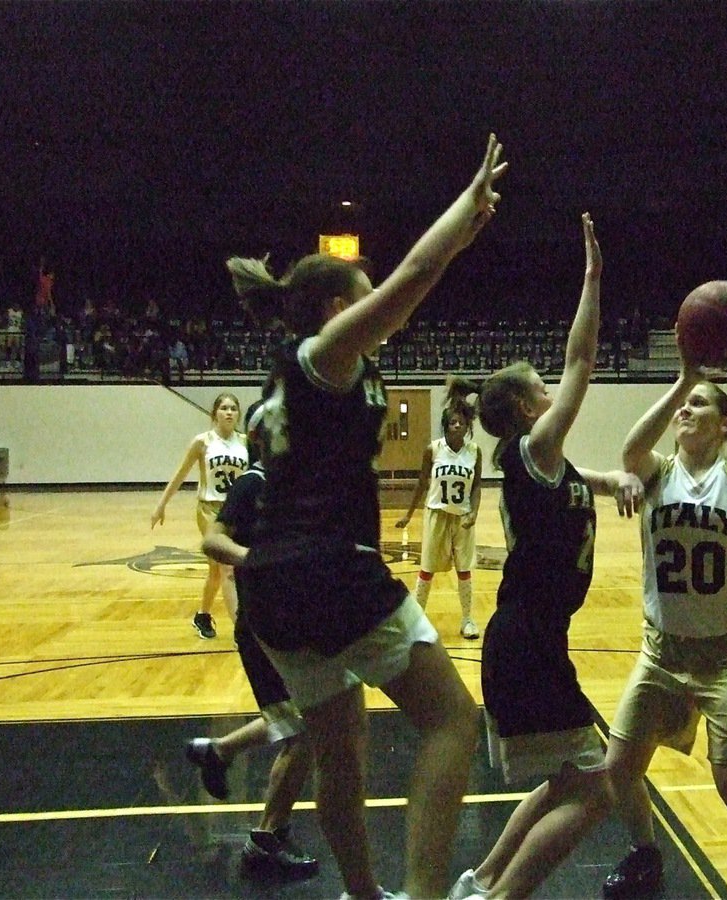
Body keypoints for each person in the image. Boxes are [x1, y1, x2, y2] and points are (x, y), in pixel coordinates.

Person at [222, 133, 505, 900]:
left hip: (273, 588)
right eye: (365, 287)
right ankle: (418, 893)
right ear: (340, 305)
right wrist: (465, 214)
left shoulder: (297, 373)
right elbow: (417, 272)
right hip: (328, 567)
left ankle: (365, 895)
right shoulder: (323, 353)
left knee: (340, 755)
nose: (383, 295)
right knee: (452, 720)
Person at [447, 214, 644, 900]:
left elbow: (571, 478)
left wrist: (611, 480)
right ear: (531, 411)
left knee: (567, 778)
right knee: (595, 792)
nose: (553, 393)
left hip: (528, 639)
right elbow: (582, 362)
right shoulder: (533, 450)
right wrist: (592, 278)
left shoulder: (539, 463)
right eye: (543, 390)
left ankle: (478, 882)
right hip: (527, 642)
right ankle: (501, 898)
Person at [601, 309, 727, 900]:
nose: (686, 411)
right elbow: (628, 449)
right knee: (619, 767)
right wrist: (681, 379)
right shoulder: (656, 473)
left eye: (699, 405)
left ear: (724, 425)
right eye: (682, 406)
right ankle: (645, 854)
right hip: (662, 649)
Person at [191, 399, 317, 879]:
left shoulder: (293, 488)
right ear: (266, 439)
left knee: (301, 716)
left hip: (291, 624)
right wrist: (254, 557)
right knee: (302, 730)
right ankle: (264, 843)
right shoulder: (253, 483)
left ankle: (218, 751)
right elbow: (212, 541)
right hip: (264, 625)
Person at [151, 391, 247, 639]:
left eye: (233, 408)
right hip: (209, 510)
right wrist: (161, 504)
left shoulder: (246, 443)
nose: (228, 412)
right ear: (214, 413)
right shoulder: (202, 442)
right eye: (224, 407)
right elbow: (180, 473)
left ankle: (202, 615)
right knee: (227, 568)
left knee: (216, 571)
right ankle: (241, 631)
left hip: (236, 510)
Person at [395, 379, 484, 640]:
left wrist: (474, 512)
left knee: (464, 570)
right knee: (427, 569)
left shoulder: (474, 452)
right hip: (436, 513)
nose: (457, 425)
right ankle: (416, 620)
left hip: (462, 517)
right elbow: (422, 483)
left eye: (461, 422)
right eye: (452, 422)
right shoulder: (433, 449)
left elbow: (477, 486)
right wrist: (409, 515)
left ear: (468, 426)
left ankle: (467, 619)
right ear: (445, 426)